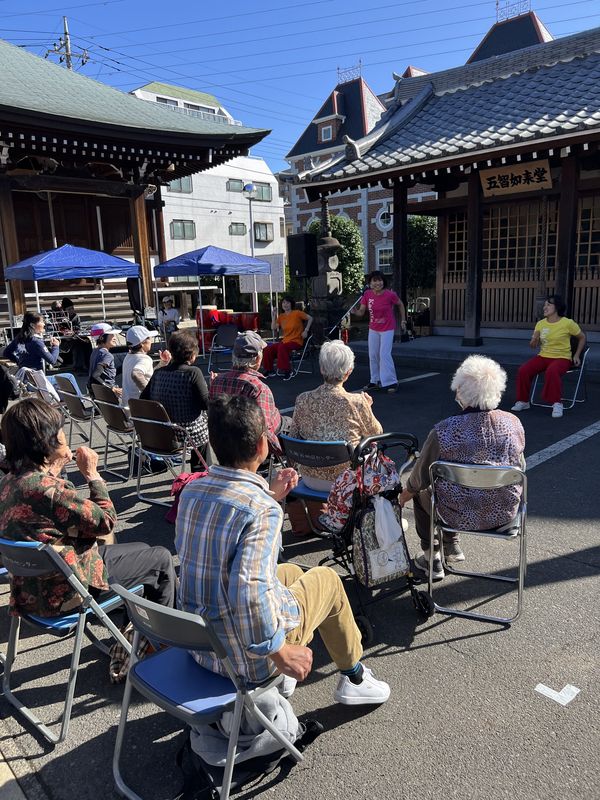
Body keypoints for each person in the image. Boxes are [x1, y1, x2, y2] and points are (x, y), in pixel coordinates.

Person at [176, 394, 390, 705]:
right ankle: (354, 677)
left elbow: (225, 551)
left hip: (204, 647)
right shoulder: (261, 510)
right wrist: (280, 652)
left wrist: (271, 496)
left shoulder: (192, 491)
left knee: (287, 571)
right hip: (247, 660)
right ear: (262, 446)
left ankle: (294, 673)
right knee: (327, 580)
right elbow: (248, 593)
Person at [0, 398, 176, 618]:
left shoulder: (9, 482)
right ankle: (158, 640)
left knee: (139, 547)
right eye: (60, 430)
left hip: (30, 591)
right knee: (160, 558)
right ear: (48, 440)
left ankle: (131, 620)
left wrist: (53, 469)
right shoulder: (50, 491)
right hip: (67, 592)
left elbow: (45, 515)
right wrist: (93, 475)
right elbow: (106, 522)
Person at [399, 355, 525, 581]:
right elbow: (520, 468)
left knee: (425, 492)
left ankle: (431, 556)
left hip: (455, 515)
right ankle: (452, 545)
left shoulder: (445, 430)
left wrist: (403, 496)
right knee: (456, 489)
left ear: (460, 392)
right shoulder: (513, 423)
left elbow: (418, 479)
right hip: (505, 514)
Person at [290, 339, 383, 491]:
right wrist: (368, 408)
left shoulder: (303, 399)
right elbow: (376, 433)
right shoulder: (357, 402)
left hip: (309, 478)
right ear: (348, 372)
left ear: (321, 368)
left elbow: (294, 437)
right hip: (346, 481)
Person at [141, 329, 211, 468]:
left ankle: (200, 471)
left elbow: (143, 398)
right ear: (192, 354)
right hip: (185, 433)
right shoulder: (193, 372)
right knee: (205, 425)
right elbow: (206, 404)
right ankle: (201, 472)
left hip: (161, 432)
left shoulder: (158, 373)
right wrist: (212, 388)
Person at [209, 330, 288, 453]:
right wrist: (278, 450)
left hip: (227, 444)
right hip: (252, 448)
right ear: (257, 359)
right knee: (292, 426)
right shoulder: (258, 388)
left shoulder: (217, 381)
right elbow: (264, 430)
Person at [511, 294, 586, 419]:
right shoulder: (540, 324)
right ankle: (523, 401)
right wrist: (534, 341)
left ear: (557, 307)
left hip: (562, 358)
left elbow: (582, 337)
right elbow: (533, 345)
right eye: (544, 305)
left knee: (552, 371)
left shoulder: (567, 323)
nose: (544, 307)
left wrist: (577, 355)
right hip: (543, 356)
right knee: (524, 369)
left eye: (548, 305)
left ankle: (557, 403)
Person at [353, 271, 406, 393]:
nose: (378, 283)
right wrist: (355, 312)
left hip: (387, 328)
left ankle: (391, 382)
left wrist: (403, 320)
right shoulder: (367, 295)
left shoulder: (389, 294)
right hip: (373, 328)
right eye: (374, 280)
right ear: (370, 283)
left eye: (380, 280)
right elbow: (361, 312)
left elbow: (400, 304)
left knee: (384, 354)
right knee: (373, 354)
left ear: (383, 282)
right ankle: (374, 380)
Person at [261, 296, 312, 380]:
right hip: (285, 342)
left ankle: (287, 371)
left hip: (296, 341)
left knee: (282, 347)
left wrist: (306, 330)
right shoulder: (281, 316)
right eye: (284, 302)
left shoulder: (297, 313)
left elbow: (310, 318)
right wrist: (274, 316)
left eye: (287, 302)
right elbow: (273, 327)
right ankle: (269, 370)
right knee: (268, 349)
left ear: (291, 304)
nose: (285, 304)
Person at [121, 325, 171, 408]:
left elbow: (147, 374)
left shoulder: (128, 356)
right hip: (141, 409)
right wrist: (149, 394)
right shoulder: (145, 359)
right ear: (142, 343)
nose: (151, 341)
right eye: (149, 338)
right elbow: (136, 374)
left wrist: (163, 363)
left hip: (128, 408)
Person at [88, 323, 122, 397]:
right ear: (101, 338)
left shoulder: (95, 351)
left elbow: (106, 373)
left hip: (96, 393)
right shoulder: (107, 355)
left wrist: (123, 367)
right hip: (107, 394)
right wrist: (112, 388)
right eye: (111, 335)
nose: (115, 338)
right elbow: (95, 376)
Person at [59, 298, 92, 372]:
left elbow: (78, 328)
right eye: (69, 309)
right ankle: (79, 367)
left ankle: (89, 364)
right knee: (78, 344)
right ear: (64, 310)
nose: (71, 310)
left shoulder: (75, 317)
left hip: (75, 337)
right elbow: (60, 331)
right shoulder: (60, 318)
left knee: (86, 340)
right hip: (64, 341)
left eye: (72, 308)